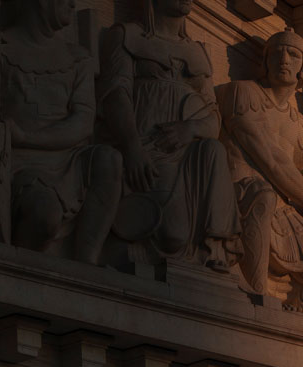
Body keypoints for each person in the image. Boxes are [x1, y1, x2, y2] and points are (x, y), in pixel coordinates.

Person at [97, 0, 238, 271]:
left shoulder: (198, 52)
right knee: (173, 234)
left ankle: (215, 248)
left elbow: (213, 118)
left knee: (215, 150)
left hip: (187, 151)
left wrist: (190, 129)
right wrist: (132, 148)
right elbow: (115, 96)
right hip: (147, 149)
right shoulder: (126, 36)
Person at [219, 29, 303, 310]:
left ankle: (293, 308)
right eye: (276, 52)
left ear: (302, 68)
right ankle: (256, 296)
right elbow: (269, 156)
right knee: (263, 195)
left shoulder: (299, 125)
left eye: (293, 54)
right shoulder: (243, 93)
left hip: (282, 208)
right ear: (265, 60)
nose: (284, 58)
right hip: (240, 193)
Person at [0, 0, 124, 263]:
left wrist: (28, 137)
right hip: (21, 164)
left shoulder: (77, 58)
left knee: (109, 160)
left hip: (68, 161)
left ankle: (87, 264)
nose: (72, 3)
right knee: (44, 213)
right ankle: (21, 268)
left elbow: (83, 122)